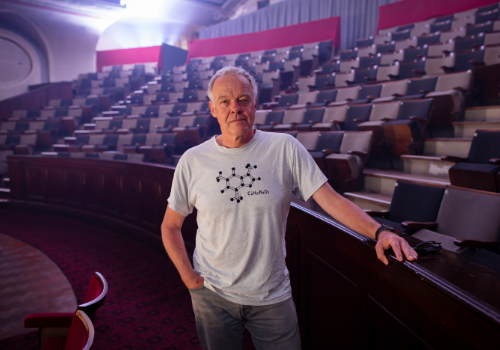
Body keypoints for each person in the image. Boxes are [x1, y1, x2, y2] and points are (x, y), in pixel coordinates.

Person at [161, 66, 418, 350]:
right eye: (225, 101)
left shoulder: (284, 148)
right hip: (212, 294)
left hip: (271, 296)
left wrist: (380, 231)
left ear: (255, 105)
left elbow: (331, 200)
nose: (235, 108)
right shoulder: (192, 160)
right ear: (213, 109)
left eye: (243, 99)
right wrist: (189, 278)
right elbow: (170, 225)